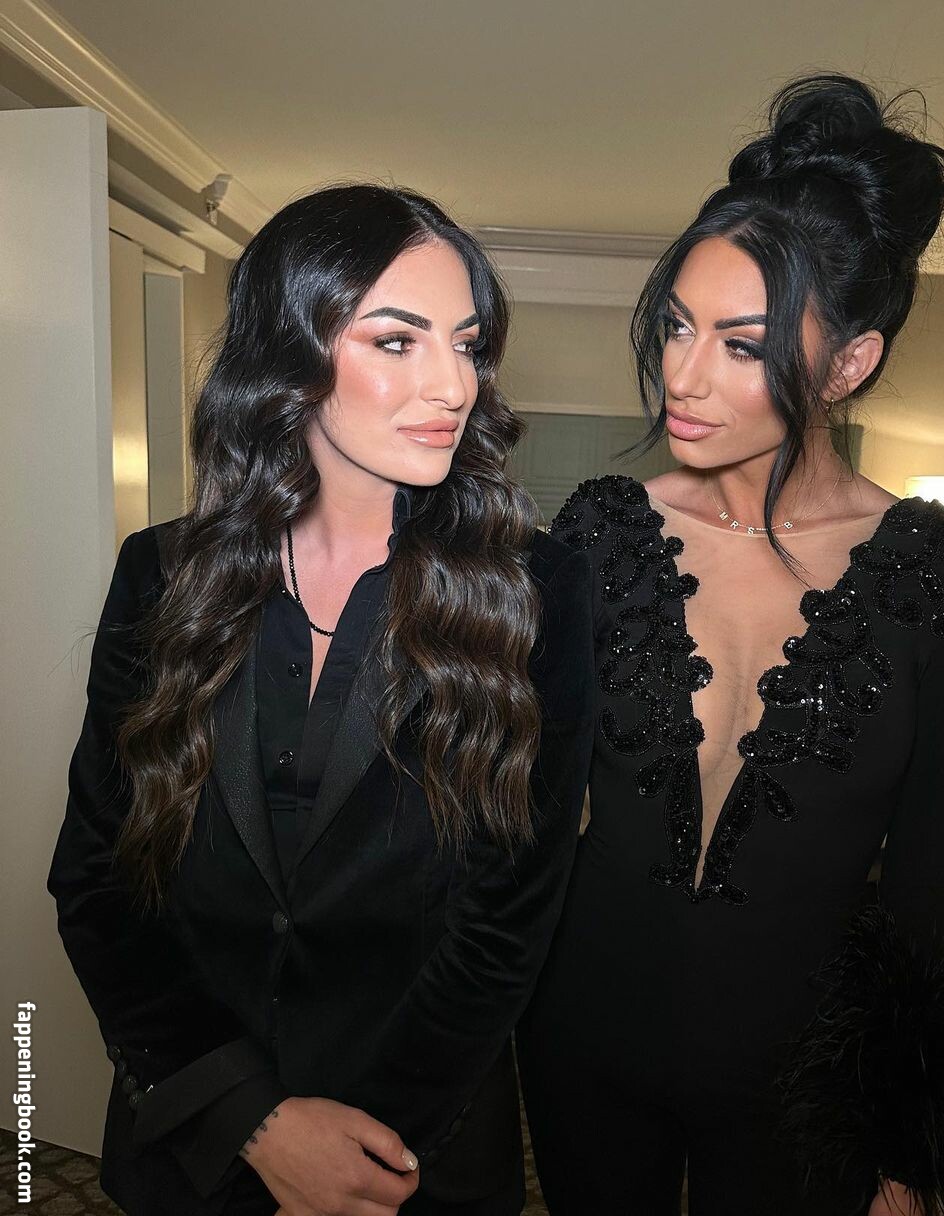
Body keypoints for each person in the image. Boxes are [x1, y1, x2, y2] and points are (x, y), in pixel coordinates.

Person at [517, 76, 944, 1216]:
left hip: (806, 1075)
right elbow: (515, 805)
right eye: (677, 325)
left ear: (848, 363)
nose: (681, 374)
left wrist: (914, 1147)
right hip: (582, 1035)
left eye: (740, 343)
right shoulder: (600, 532)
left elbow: (933, 881)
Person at [48, 184, 595, 1216]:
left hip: (412, 1154)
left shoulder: (537, 592)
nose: (453, 384)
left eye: (467, 344)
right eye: (397, 341)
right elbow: (97, 879)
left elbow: (510, 918)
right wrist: (250, 1119)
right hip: (195, 1145)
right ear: (288, 357)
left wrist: (363, 1151)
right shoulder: (162, 575)